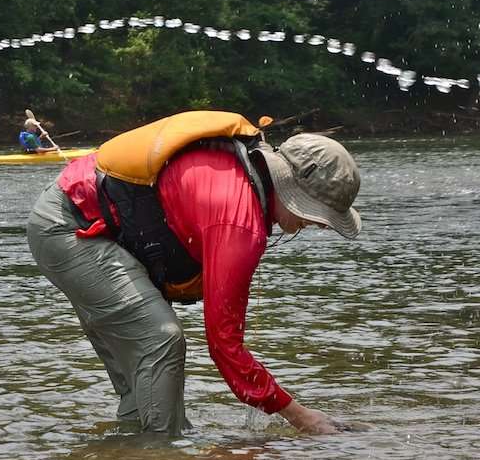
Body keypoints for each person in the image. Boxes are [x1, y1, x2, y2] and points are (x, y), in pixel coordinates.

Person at [26, 110, 361, 435]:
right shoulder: (238, 219)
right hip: (72, 228)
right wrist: (298, 415)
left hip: (77, 217)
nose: (319, 225)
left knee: (142, 386)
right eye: (320, 214)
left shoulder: (243, 177)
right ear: (289, 188)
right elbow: (224, 346)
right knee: (161, 340)